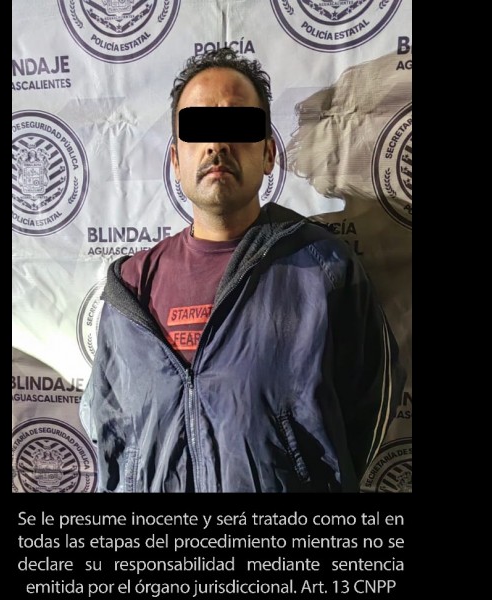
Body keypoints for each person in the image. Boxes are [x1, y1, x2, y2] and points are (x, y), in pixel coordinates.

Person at [80, 47, 405, 492]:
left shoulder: (324, 271)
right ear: (176, 160)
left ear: (268, 154)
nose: (217, 145)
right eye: (199, 129)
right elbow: (109, 423)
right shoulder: (131, 286)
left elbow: (368, 409)